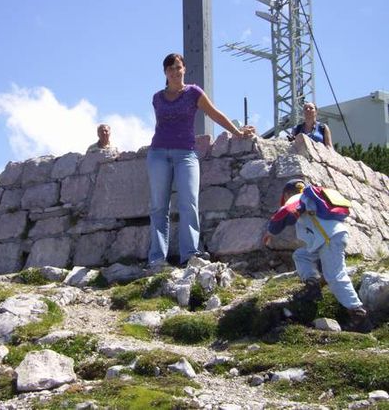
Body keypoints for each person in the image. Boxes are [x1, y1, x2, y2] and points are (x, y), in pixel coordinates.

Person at [147, 52, 256, 270]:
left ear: (184, 69)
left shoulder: (193, 92)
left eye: (178, 67)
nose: (175, 72)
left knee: (189, 203)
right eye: (170, 69)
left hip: (186, 154)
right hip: (158, 153)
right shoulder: (157, 97)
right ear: (165, 73)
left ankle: (189, 254)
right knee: (159, 207)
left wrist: (236, 131)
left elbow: (214, 114)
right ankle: (157, 259)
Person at [264, 179, 371, 333]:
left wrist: (270, 232)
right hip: (327, 238)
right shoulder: (312, 198)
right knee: (301, 256)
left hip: (328, 239)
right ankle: (312, 285)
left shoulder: (298, 198)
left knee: (335, 276)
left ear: (287, 193)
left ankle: (358, 313)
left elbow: (284, 213)